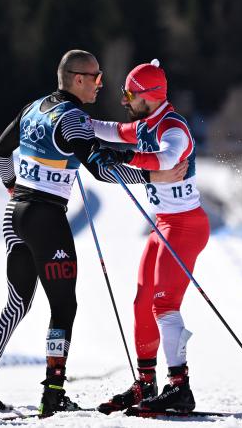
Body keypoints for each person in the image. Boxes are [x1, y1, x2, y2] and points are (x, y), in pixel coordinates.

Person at [0, 50, 185, 417]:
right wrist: (152, 177)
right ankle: (53, 394)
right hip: (46, 220)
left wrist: (13, 189)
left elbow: (1, 151)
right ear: (77, 78)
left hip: (15, 215)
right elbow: (100, 168)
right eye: (97, 77)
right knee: (64, 305)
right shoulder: (73, 117)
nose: (102, 83)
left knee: (17, 304)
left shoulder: (35, 106)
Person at [90, 59, 210, 414]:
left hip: (186, 226)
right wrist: (71, 121)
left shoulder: (174, 128)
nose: (125, 100)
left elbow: (168, 158)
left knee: (164, 304)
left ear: (149, 95)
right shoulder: (146, 124)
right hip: (163, 225)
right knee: (142, 301)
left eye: (130, 93)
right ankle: (145, 383)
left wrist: (124, 155)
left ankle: (180, 387)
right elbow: (107, 128)